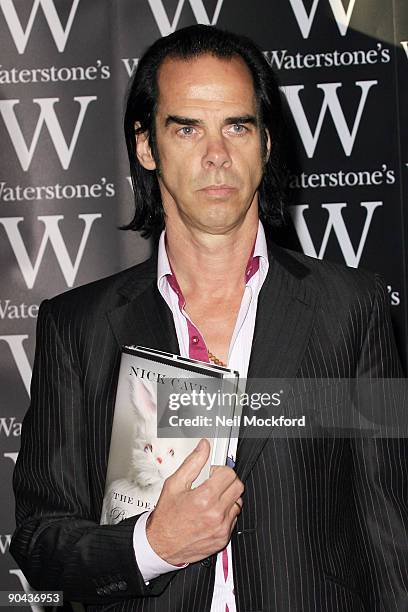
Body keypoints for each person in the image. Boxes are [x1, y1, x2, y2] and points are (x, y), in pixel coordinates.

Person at [10, 25, 407, 612]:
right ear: (146, 146)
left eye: (238, 126)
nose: (216, 154)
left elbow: (390, 535)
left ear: (266, 144)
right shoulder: (79, 327)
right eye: (188, 127)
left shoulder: (351, 309)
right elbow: (41, 543)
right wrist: (152, 546)